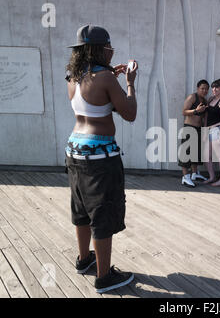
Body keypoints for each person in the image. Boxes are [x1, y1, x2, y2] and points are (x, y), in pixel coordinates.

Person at [65, 25, 137, 293]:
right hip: (99, 156)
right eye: (109, 48)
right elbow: (129, 112)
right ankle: (104, 277)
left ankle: (84, 260)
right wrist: (129, 82)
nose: (112, 52)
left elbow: (94, 104)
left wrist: (111, 76)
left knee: (81, 209)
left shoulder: (73, 76)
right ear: (100, 50)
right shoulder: (106, 78)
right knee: (102, 214)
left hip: (74, 150)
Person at [179, 80, 209, 187]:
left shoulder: (205, 101)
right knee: (186, 154)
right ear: (197, 88)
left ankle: (194, 174)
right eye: (202, 88)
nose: (204, 91)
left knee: (195, 154)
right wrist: (195, 111)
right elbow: (184, 112)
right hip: (189, 128)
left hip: (198, 129)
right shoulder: (192, 97)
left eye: (206, 89)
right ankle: (185, 177)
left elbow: (204, 117)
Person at [203, 79, 220, 187]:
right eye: (213, 87)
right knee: (206, 156)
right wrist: (204, 130)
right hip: (209, 130)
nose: (214, 89)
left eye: (217, 87)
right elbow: (206, 117)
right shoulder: (210, 99)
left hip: (217, 129)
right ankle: (212, 177)